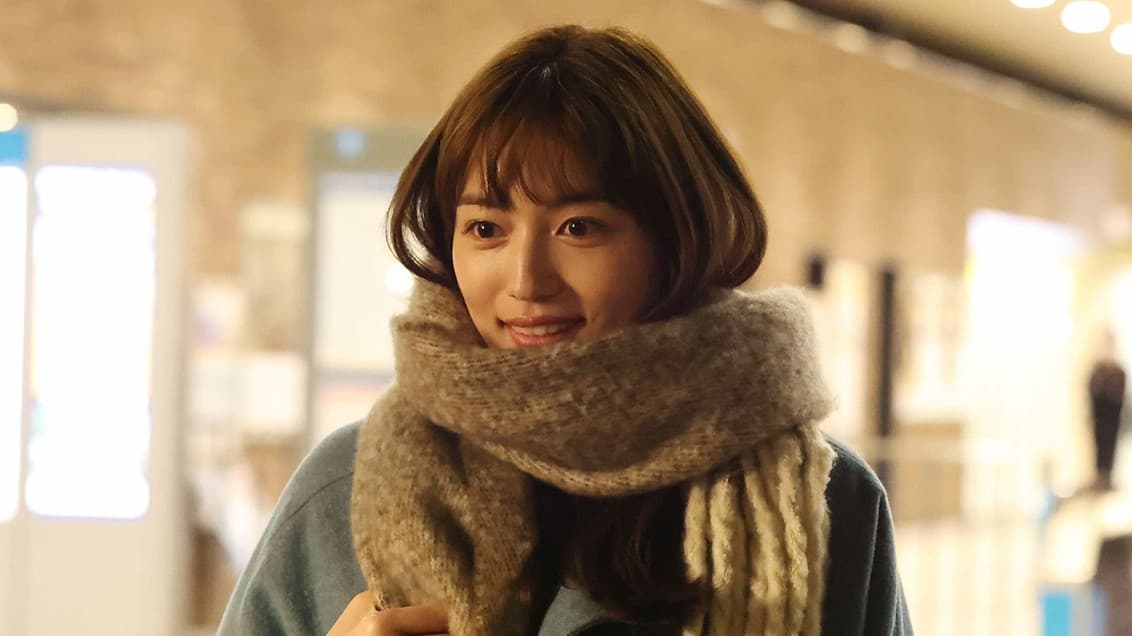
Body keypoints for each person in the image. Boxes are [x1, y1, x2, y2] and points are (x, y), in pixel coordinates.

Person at [218, 25, 912, 635]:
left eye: (579, 227)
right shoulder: (345, 487)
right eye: (484, 228)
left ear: (673, 241)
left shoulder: (821, 499)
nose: (527, 279)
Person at [1088, 328, 1126, 492]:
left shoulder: (1118, 371)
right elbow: (1093, 392)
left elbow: (1119, 396)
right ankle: (1100, 476)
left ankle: (1107, 477)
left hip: (1112, 420)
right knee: (1099, 446)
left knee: (1110, 447)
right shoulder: (1098, 370)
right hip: (1100, 419)